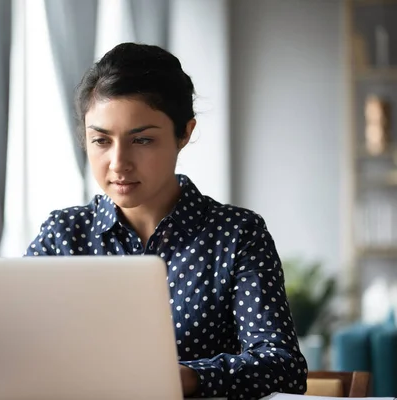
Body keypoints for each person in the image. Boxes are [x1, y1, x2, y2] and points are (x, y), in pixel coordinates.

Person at [25, 42, 307, 399]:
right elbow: (20, 346)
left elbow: (283, 368)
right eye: (101, 140)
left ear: (184, 133)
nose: (118, 162)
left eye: (141, 140)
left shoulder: (236, 235)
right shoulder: (64, 235)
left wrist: (183, 378)